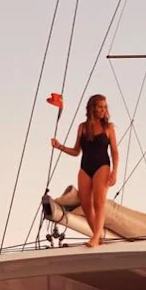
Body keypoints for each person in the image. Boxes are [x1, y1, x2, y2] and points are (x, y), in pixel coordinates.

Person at [51, 94, 118, 247]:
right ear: (92, 108)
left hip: (102, 165)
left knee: (98, 202)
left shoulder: (109, 128)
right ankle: (98, 235)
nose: (103, 110)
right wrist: (59, 146)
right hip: (85, 166)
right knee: (85, 204)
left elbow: (115, 151)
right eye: (100, 107)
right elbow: (76, 151)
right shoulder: (82, 127)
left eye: (105, 107)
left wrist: (115, 171)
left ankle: (95, 237)